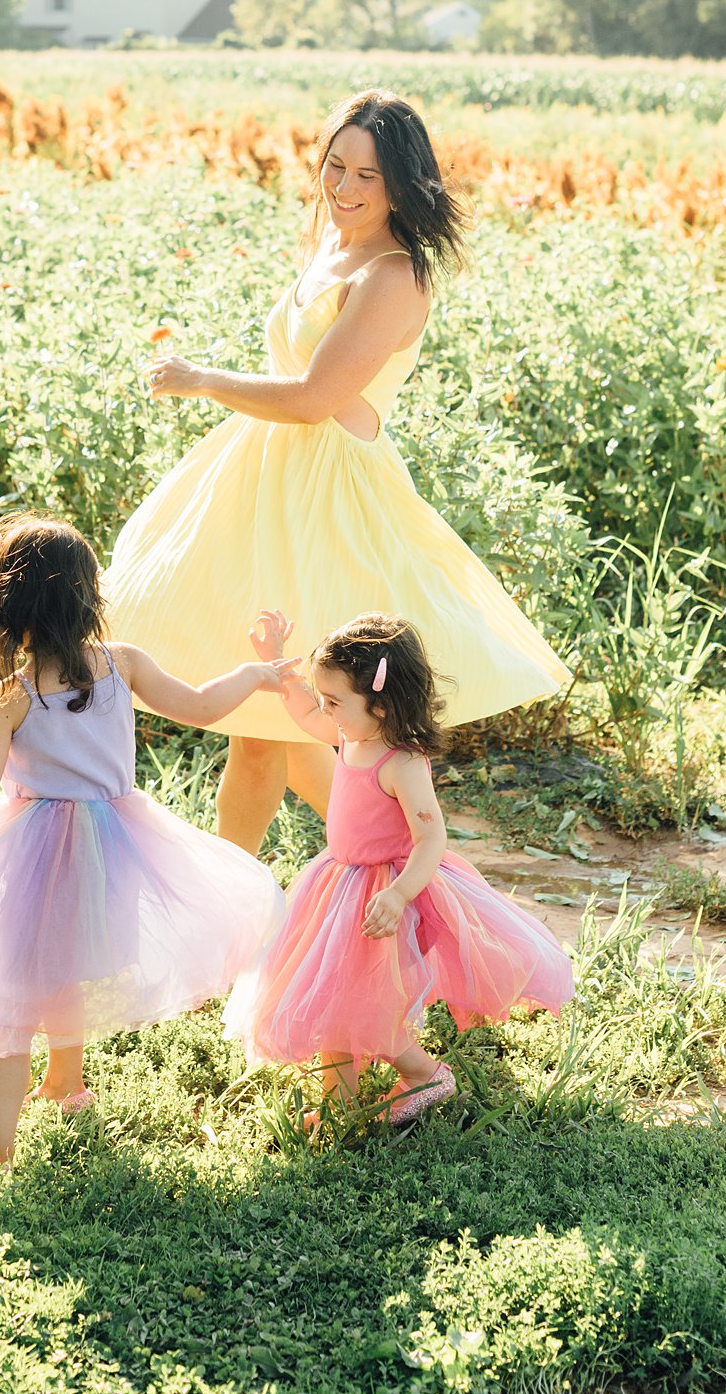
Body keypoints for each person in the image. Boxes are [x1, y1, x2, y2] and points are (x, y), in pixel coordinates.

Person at [106, 88, 571, 854]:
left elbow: (316, 397)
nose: (344, 188)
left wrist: (202, 378)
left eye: (368, 176)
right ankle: (371, 874)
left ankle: (375, 878)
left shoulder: (394, 274)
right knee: (275, 726)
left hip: (330, 502)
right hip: (265, 485)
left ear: (402, 184)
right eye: (335, 166)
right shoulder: (332, 245)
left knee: (282, 719)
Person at [0, 515, 292, 1170]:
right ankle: (66, 1081)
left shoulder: (10, 697)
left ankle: (0, 1149)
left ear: (5, 606)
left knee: (11, 995)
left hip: (32, 849)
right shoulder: (123, 665)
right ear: (89, 596)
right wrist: (259, 671)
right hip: (114, 844)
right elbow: (204, 706)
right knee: (67, 964)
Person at [224, 611, 574, 1127]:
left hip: (383, 892)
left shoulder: (401, 763)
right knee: (336, 999)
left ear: (382, 704)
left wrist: (401, 894)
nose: (327, 710)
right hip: (339, 883)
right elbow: (303, 715)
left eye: (336, 701)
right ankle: (338, 1104)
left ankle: (427, 1074)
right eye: (327, 699)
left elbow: (431, 838)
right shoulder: (351, 734)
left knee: (364, 1006)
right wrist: (277, 661)